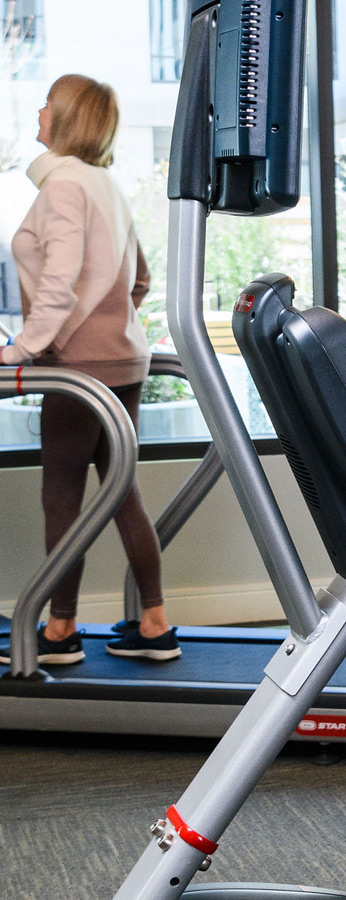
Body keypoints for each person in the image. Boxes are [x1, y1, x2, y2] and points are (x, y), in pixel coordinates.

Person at [0, 74, 178, 667]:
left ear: (66, 116)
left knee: (61, 497)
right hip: (121, 357)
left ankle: (60, 630)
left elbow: (59, 280)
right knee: (121, 492)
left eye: (48, 102)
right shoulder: (105, 184)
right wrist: (111, 319)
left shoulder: (63, 188)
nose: (40, 109)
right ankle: (154, 623)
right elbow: (142, 278)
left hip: (76, 365)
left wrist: (20, 349)